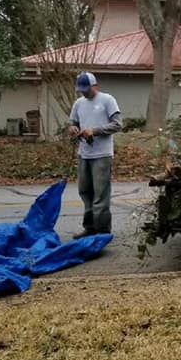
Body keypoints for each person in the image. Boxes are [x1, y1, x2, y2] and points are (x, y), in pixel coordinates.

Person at [68, 71, 123, 237]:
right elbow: (73, 122)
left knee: (100, 193)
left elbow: (118, 124)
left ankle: (102, 230)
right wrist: (72, 128)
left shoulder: (107, 100)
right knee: (85, 191)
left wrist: (95, 131)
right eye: (81, 89)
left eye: (87, 88)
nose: (84, 92)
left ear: (95, 85)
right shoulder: (78, 103)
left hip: (102, 154)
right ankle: (89, 227)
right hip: (84, 153)